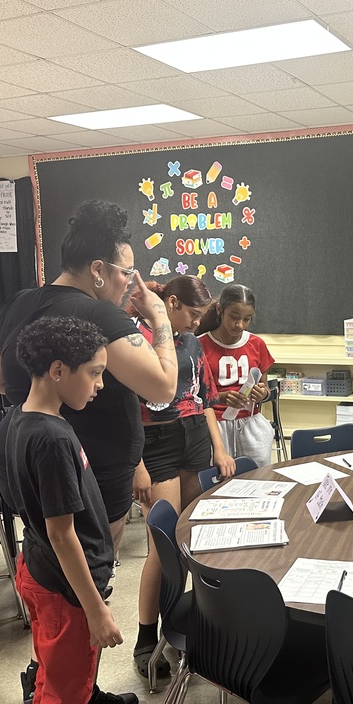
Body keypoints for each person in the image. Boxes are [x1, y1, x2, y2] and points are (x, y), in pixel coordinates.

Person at [0, 200, 177, 704]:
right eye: (126, 273)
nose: (130, 284)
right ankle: (75, 696)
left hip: (31, 466)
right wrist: (158, 317)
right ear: (98, 270)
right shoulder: (101, 312)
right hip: (90, 476)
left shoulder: (20, 302)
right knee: (84, 582)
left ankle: (45, 674)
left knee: (47, 569)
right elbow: (162, 387)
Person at [0, 315, 137, 704]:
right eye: (94, 373)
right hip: (65, 590)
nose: (100, 384)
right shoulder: (53, 439)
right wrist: (97, 611)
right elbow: (61, 533)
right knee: (67, 697)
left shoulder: (14, 421)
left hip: (37, 570)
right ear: (58, 371)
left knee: (51, 678)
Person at [131, 276, 236, 679]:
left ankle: (188, 619)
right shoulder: (138, 340)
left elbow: (206, 398)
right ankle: (146, 638)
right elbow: (129, 408)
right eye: (192, 314)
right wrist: (136, 464)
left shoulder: (191, 343)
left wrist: (220, 449)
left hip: (192, 436)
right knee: (163, 544)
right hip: (154, 440)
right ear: (170, 303)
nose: (197, 323)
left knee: (193, 535)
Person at [197, 284, 275, 468]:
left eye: (247, 319)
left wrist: (262, 394)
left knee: (258, 479)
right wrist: (219, 397)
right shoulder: (200, 344)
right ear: (219, 310)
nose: (239, 324)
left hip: (251, 426)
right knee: (218, 480)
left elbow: (266, 389)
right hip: (215, 426)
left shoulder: (257, 344)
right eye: (234, 317)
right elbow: (194, 396)